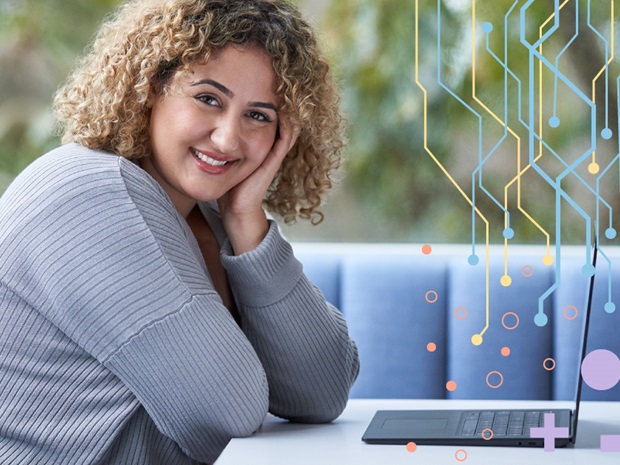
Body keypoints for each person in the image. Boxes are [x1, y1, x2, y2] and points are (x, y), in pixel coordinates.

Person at [0, 0, 360, 464]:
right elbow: (229, 409)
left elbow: (322, 392)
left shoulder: (208, 213)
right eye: (209, 99)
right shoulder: (91, 193)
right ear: (150, 86)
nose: (229, 139)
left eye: (259, 116)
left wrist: (247, 219)